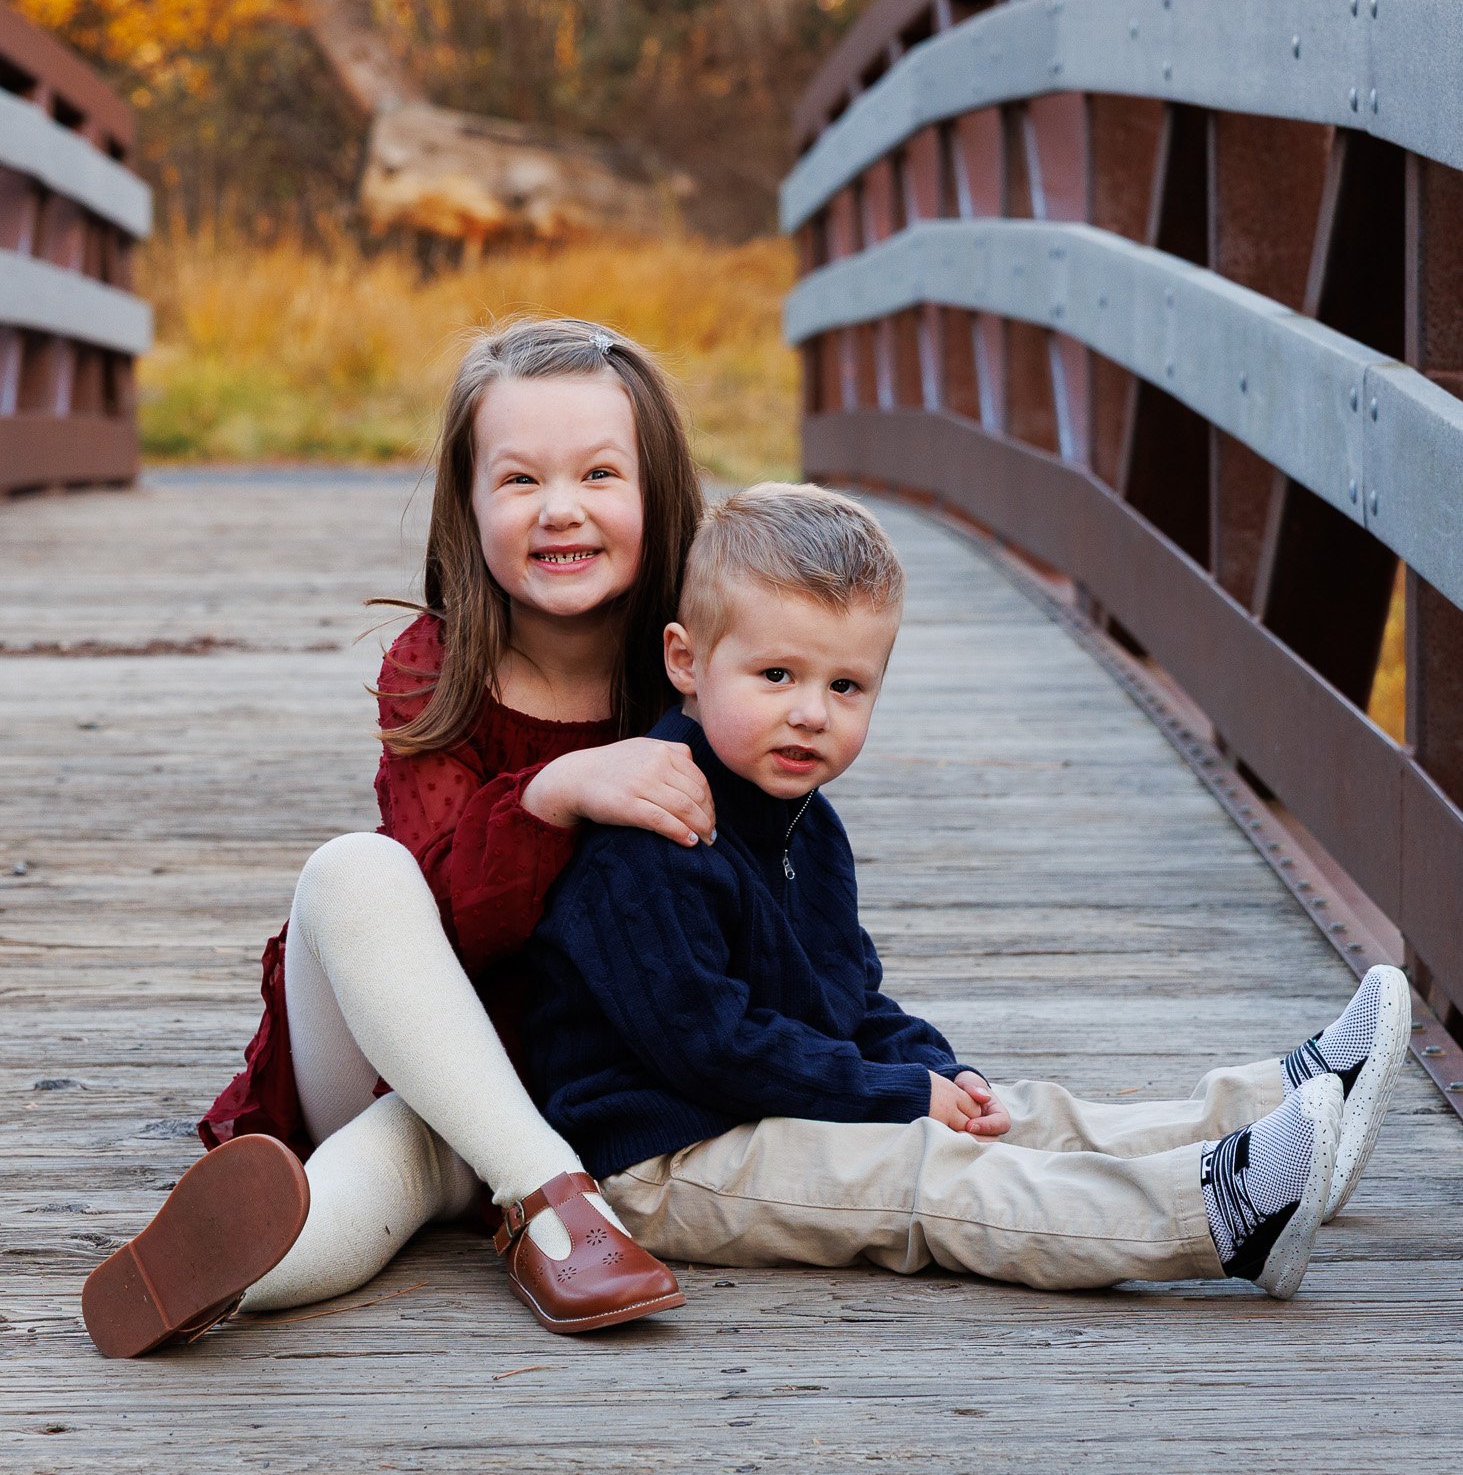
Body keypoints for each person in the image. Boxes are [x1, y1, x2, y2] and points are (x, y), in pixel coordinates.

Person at [524, 483, 1412, 1299]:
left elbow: (848, 998)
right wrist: (899, 1096)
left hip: (760, 1102)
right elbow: (707, 1045)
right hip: (661, 1157)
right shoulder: (656, 838)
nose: (810, 713)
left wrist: (939, 1069)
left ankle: (1284, 1108)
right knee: (934, 1174)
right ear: (687, 661)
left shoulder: (805, 826)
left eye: (845, 686)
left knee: (1012, 1116)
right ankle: (1212, 1217)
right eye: (775, 677)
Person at [82, 318, 715, 1357]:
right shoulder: (436, 665)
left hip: (562, 1079)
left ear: (661, 491)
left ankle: (221, 1279)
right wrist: (552, 788)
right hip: (399, 1043)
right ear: (467, 507)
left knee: (394, 1169)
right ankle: (554, 1202)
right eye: (518, 480)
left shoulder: (697, 667)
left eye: (601, 472)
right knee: (355, 868)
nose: (560, 508)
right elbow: (443, 930)